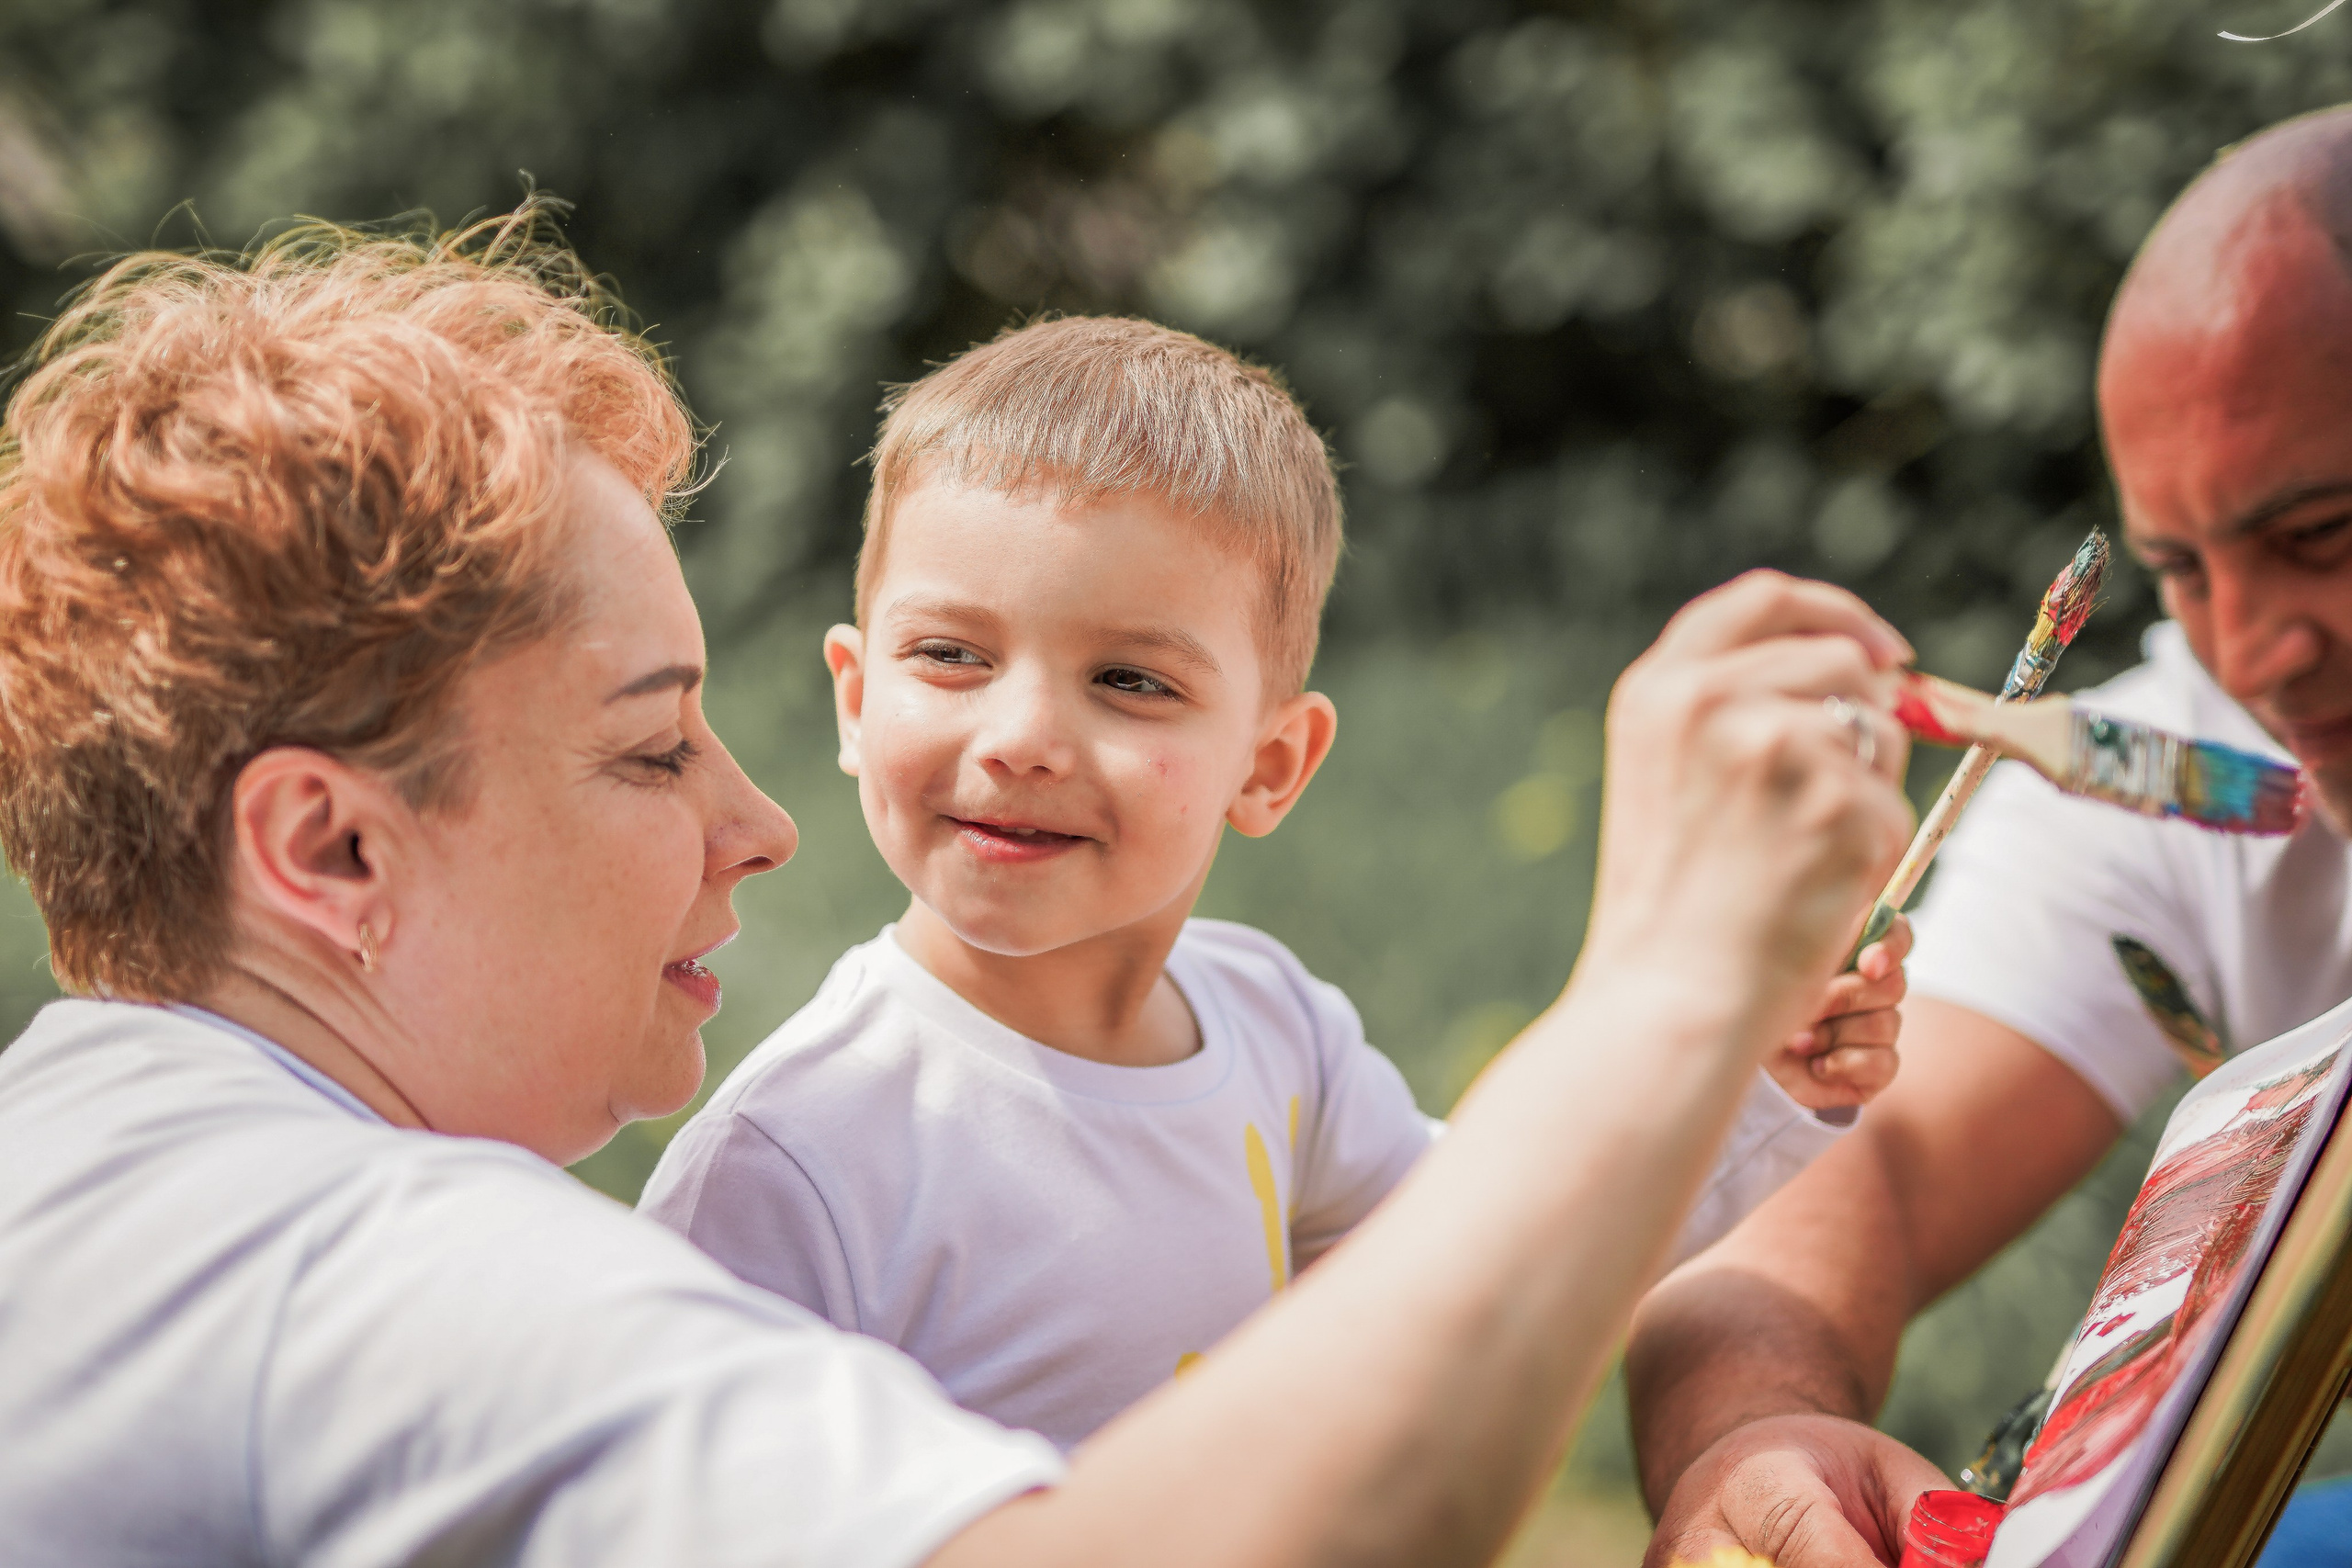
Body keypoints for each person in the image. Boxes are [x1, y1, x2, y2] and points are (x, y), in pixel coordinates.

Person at [0, 206, 1918, 1567]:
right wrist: (1663, 979)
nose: (757, 823)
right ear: (329, 846)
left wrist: (1724, 1070)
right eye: (656, 743)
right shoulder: (397, 1286)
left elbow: (1445, 1275)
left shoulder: (86, 1162)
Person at [638, 315, 1914, 1451]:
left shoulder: (1272, 1023)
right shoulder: (788, 1167)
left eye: (1130, 680)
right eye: (952, 655)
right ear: (857, 701)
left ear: (1270, 764)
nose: (1020, 736)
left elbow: (1494, 1259)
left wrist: (1749, 1082)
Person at [1627, 107, 2352, 1568]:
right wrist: (1752, 1441)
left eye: (2325, 534)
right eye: (2180, 570)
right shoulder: (2174, 776)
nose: (2254, 651)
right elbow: (1857, 1177)